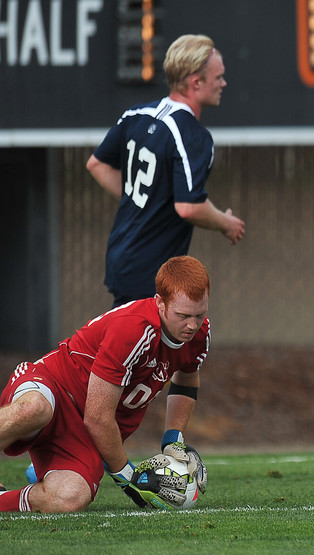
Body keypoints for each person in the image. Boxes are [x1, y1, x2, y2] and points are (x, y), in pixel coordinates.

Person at [0, 256, 211, 513]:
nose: (192, 325)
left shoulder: (199, 335)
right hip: (54, 388)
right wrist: (129, 478)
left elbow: (187, 377)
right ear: (160, 303)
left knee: (70, 497)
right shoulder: (132, 330)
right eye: (183, 315)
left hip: (85, 436)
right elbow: (98, 417)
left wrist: (173, 438)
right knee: (32, 409)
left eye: (200, 314)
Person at [87, 34, 245, 308]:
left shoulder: (136, 115)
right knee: (138, 350)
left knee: (149, 349)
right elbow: (189, 206)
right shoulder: (193, 136)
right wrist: (226, 224)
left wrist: (143, 202)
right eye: (218, 77)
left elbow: (96, 164)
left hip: (121, 257)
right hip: (150, 271)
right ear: (196, 82)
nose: (223, 83)